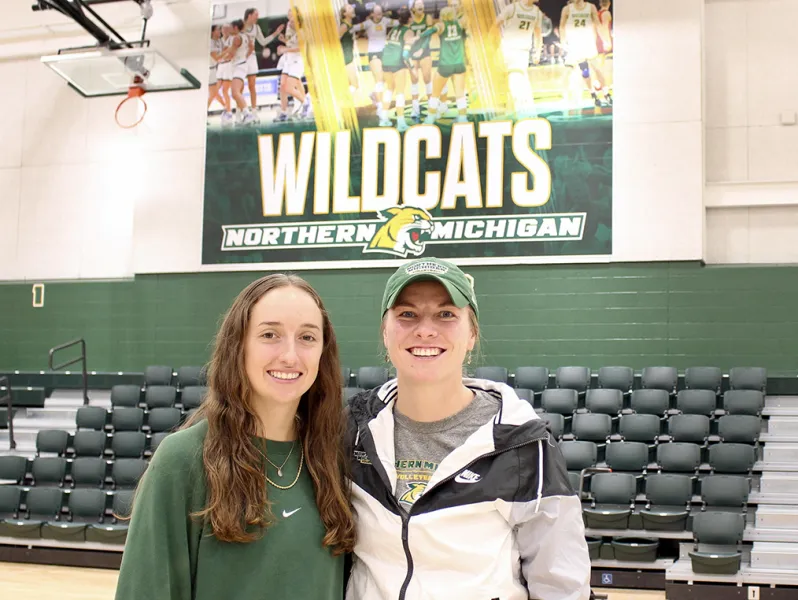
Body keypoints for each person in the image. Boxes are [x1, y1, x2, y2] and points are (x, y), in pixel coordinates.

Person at [345, 257, 591, 600]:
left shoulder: (523, 444)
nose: (426, 330)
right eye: (407, 314)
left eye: (446, 314)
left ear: (472, 333)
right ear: (385, 332)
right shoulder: (352, 429)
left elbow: (561, 581)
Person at [115, 274, 356, 600]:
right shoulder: (183, 459)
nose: (289, 355)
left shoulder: (333, 458)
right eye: (270, 334)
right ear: (238, 345)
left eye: (307, 337)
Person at [494, 0, 544, 118]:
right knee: (515, 80)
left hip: (523, 52)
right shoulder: (512, 8)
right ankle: (520, 113)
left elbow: (538, 33)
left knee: (520, 81)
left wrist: (537, 51)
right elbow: (495, 25)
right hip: (509, 49)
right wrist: (493, 45)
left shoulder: (537, 12)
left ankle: (515, 112)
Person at [560, 0, 612, 107]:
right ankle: (593, 93)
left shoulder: (591, 7)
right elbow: (562, 26)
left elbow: (598, 24)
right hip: (576, 45)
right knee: (585, 71)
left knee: (597, 69)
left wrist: (605, 40)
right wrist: (563, 41)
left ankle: (606, 93)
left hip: (588, 44)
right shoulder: (567, 9)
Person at [242, 8, 285, 120]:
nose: (257, 17)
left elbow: (263, 42)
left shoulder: (256, 28)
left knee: (252, 86)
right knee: (240, 87)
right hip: (240, 58)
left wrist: (276, 33)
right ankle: (240, 112)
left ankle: (254, 112)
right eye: (256, 15)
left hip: (251, 57)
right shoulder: (240, 26)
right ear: (249, 15)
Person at [378, 7, 415, 130]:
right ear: (410, 18)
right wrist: (412, 68)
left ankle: (383, 118)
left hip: (386, 61)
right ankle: (401, 123)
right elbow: (405, 54)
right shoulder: (408, 32)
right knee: (400, 92)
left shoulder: (393, 29)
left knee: (389, 89)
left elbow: (386, 45)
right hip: (397, 62)